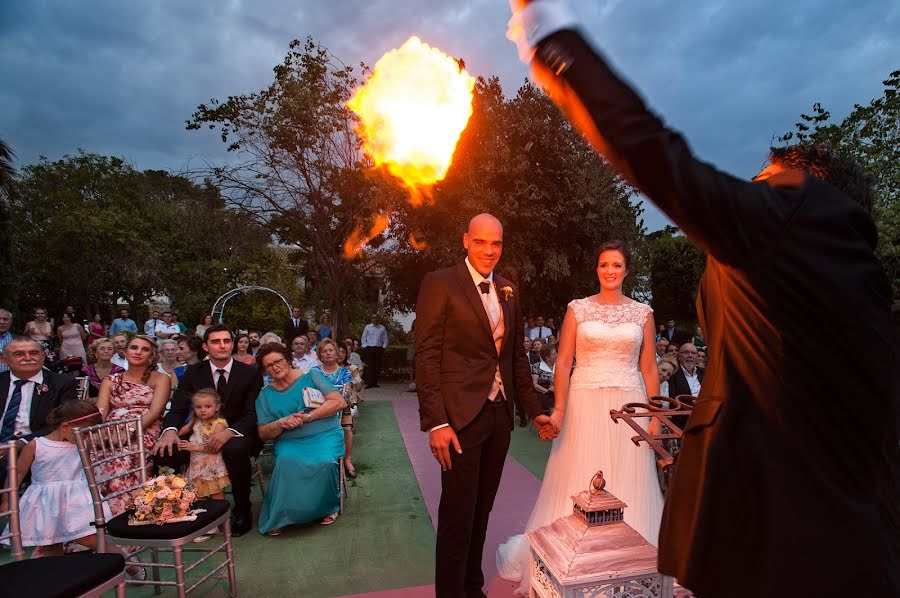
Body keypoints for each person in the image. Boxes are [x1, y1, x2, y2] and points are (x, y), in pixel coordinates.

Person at [505, 4, 900, 593]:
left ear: (799, 185)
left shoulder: (798, 216)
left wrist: (547, 36)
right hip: (847, 540)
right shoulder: (850, 279)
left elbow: (659, 157)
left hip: (788, 545)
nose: (752, 194)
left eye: (763, 182)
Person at [497, 241, 663, 592]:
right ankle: (568, 558)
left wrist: (655, 415)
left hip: (631, 405)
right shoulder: (578, 309)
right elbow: (564, 361)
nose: (610, 271)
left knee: (629, 477)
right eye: (604, 265)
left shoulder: (642, 313)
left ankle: (628, 561)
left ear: (626, 270)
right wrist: (558, 409)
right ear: (597, 269)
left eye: (616, 265)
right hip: (584, 402)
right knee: (579, 475)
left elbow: (649, 367)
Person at [415, 213, 556, 598]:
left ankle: (472, 588)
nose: (489, 251)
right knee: (458, 514)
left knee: (481, 511)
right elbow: (426, 356)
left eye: (495, 243)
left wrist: (536, 408)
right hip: (458, 418)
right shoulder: (440, 283)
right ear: (465, 241)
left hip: (499, 417)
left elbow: (513, 361)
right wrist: (437, 423)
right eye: (481, 242)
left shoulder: (509, 290)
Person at [0, 401, 142, 576]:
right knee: (50, 543)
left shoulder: (81, 444)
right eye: (83, 434)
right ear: (66, 426)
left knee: (89, 538)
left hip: (76, 498)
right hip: (46, 502)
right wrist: (8, 499)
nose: (87, 438)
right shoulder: (36, 446)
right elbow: (18, 473)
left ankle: (127, 561)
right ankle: (59, 579)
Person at [153, 324, 264, 537]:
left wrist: (229, 432)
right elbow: (177, 407)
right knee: (165, 450)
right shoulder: (193, 372)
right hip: (198, 431)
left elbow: (253, 412)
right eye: (215, 341)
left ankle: (242, 508)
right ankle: (175, 507)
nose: (222, 346)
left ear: (232, 344)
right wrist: (169, 431)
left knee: (235, 449)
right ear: (205, 346)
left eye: (226, 341)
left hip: (237, 432)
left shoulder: (249, 372)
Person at [255, 343, 346, 536]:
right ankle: (282, 515)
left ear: (288, 360)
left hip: (325, 433)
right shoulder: (264, 395)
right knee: (286, 461)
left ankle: (327, 507)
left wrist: (309, 417)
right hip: (290, 440)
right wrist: (280, 423)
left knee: (324, 462)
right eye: (269, 365)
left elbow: (339, 402)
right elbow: (263, 432)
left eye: (278, 361)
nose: (275, 367)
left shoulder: (311, 376)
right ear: (265, 370)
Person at [95, 335, 170, 516]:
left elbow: (154, 412)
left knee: (123, 455)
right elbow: (101, 412)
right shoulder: (110, 380)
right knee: (92, 454)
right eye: (134, 348)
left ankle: (126, 515)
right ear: (125, 352)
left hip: (143, 428)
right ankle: (97, 518)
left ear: (152, 355)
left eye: (144, 349)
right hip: (111, 429)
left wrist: (128, 433)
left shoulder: (160, 379)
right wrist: (101, 434)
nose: (138, 352)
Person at [0, 336, 77, 486]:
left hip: (36, 445)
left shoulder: (61, 383)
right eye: (19, 354)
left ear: (43, 356)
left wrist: (21, 443)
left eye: (34, 353)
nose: (28, 358)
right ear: (4, 360)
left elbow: (63, 421)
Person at [177, 388, 230, 509]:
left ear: (217, 407)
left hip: (212, 467)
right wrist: (172, 435)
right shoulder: (196, 420)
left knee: (217, 499)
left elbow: (214, 449)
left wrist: (193, 447)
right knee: (198, 499)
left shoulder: (219, 424)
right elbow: (182, 431)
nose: (202, 410)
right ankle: (207, 524)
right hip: (196, 466)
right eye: (198, 407)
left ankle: (220, 524)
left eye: (207, 406)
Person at [313, 338, 357, 479]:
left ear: (337, 353)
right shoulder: (314, 372)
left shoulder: (345, 372)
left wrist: (334, 406)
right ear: (320, 355)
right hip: (320, 409)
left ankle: (347, 459)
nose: (328, 353)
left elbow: (347, 394)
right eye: (324, 351)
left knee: (346, 428)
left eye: (331, 350)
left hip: (341, 408)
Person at [360, 313, 388, 388]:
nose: (375, 319)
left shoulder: (382, 328)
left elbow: (385, 338)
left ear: (378, 319)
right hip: (369, 348)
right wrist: (365, 346)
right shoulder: (368, 327)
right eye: (373, 318)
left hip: (378, 348)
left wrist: (383, 347)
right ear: (371, 319)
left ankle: (375, 382)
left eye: (376, 318)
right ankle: (369, 383)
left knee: (377, 366)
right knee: (370, 366)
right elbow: (363, 338)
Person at [530, 341, 557, 414]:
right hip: (543, 393)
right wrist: (548, 390)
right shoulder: (537, 366)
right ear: (547, 357)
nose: (557, 355)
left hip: (558, 392)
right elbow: (535, 385)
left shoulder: (558, 366)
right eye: (554, 354)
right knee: (554, 408)